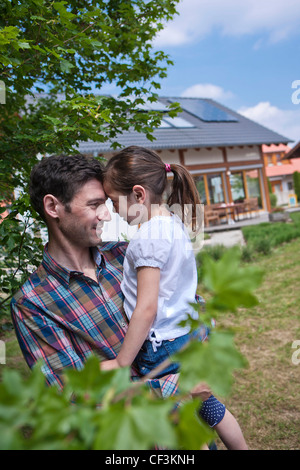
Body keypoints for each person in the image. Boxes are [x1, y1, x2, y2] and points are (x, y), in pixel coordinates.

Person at [101, 146, 248, 450]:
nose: (113, 210)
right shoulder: (174, 225)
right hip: (188, 332)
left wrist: (121, 361)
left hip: (161, 345)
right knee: (208, 406)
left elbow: (147, 307)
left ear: (139, 195)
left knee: (178, 421)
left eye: (115, 201)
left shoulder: (147, 238)